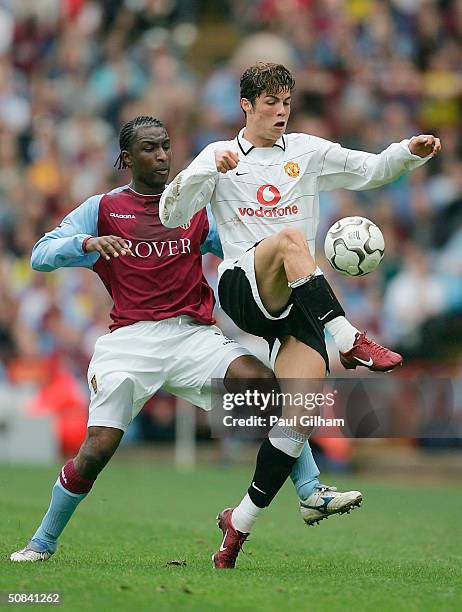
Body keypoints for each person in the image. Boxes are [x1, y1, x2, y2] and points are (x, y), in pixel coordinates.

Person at [10, 116, 360, 568]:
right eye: (150, 149)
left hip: (193, 336)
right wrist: (87, 243)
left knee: (267, 390)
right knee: (96, 449)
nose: (161, 157)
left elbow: (240, 248)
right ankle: (42, 541)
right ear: (127, 158)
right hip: (131, 340)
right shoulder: (103, 208)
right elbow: (40, 255)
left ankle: (310, 490)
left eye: (165, 147)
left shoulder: (194, 206)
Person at [159, 62, 441, 568]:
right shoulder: (220, 155)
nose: (280, 111)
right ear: (246, 105)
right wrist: (206, 169)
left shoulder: (308, 152)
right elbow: (170, 214)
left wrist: (407, 152)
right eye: (269, 102)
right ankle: (350, 337)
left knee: (299, 415)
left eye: (286, 102)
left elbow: (371, 169)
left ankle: (239, 525)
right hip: (244, 284)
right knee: (291, 237)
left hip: (294, 295)